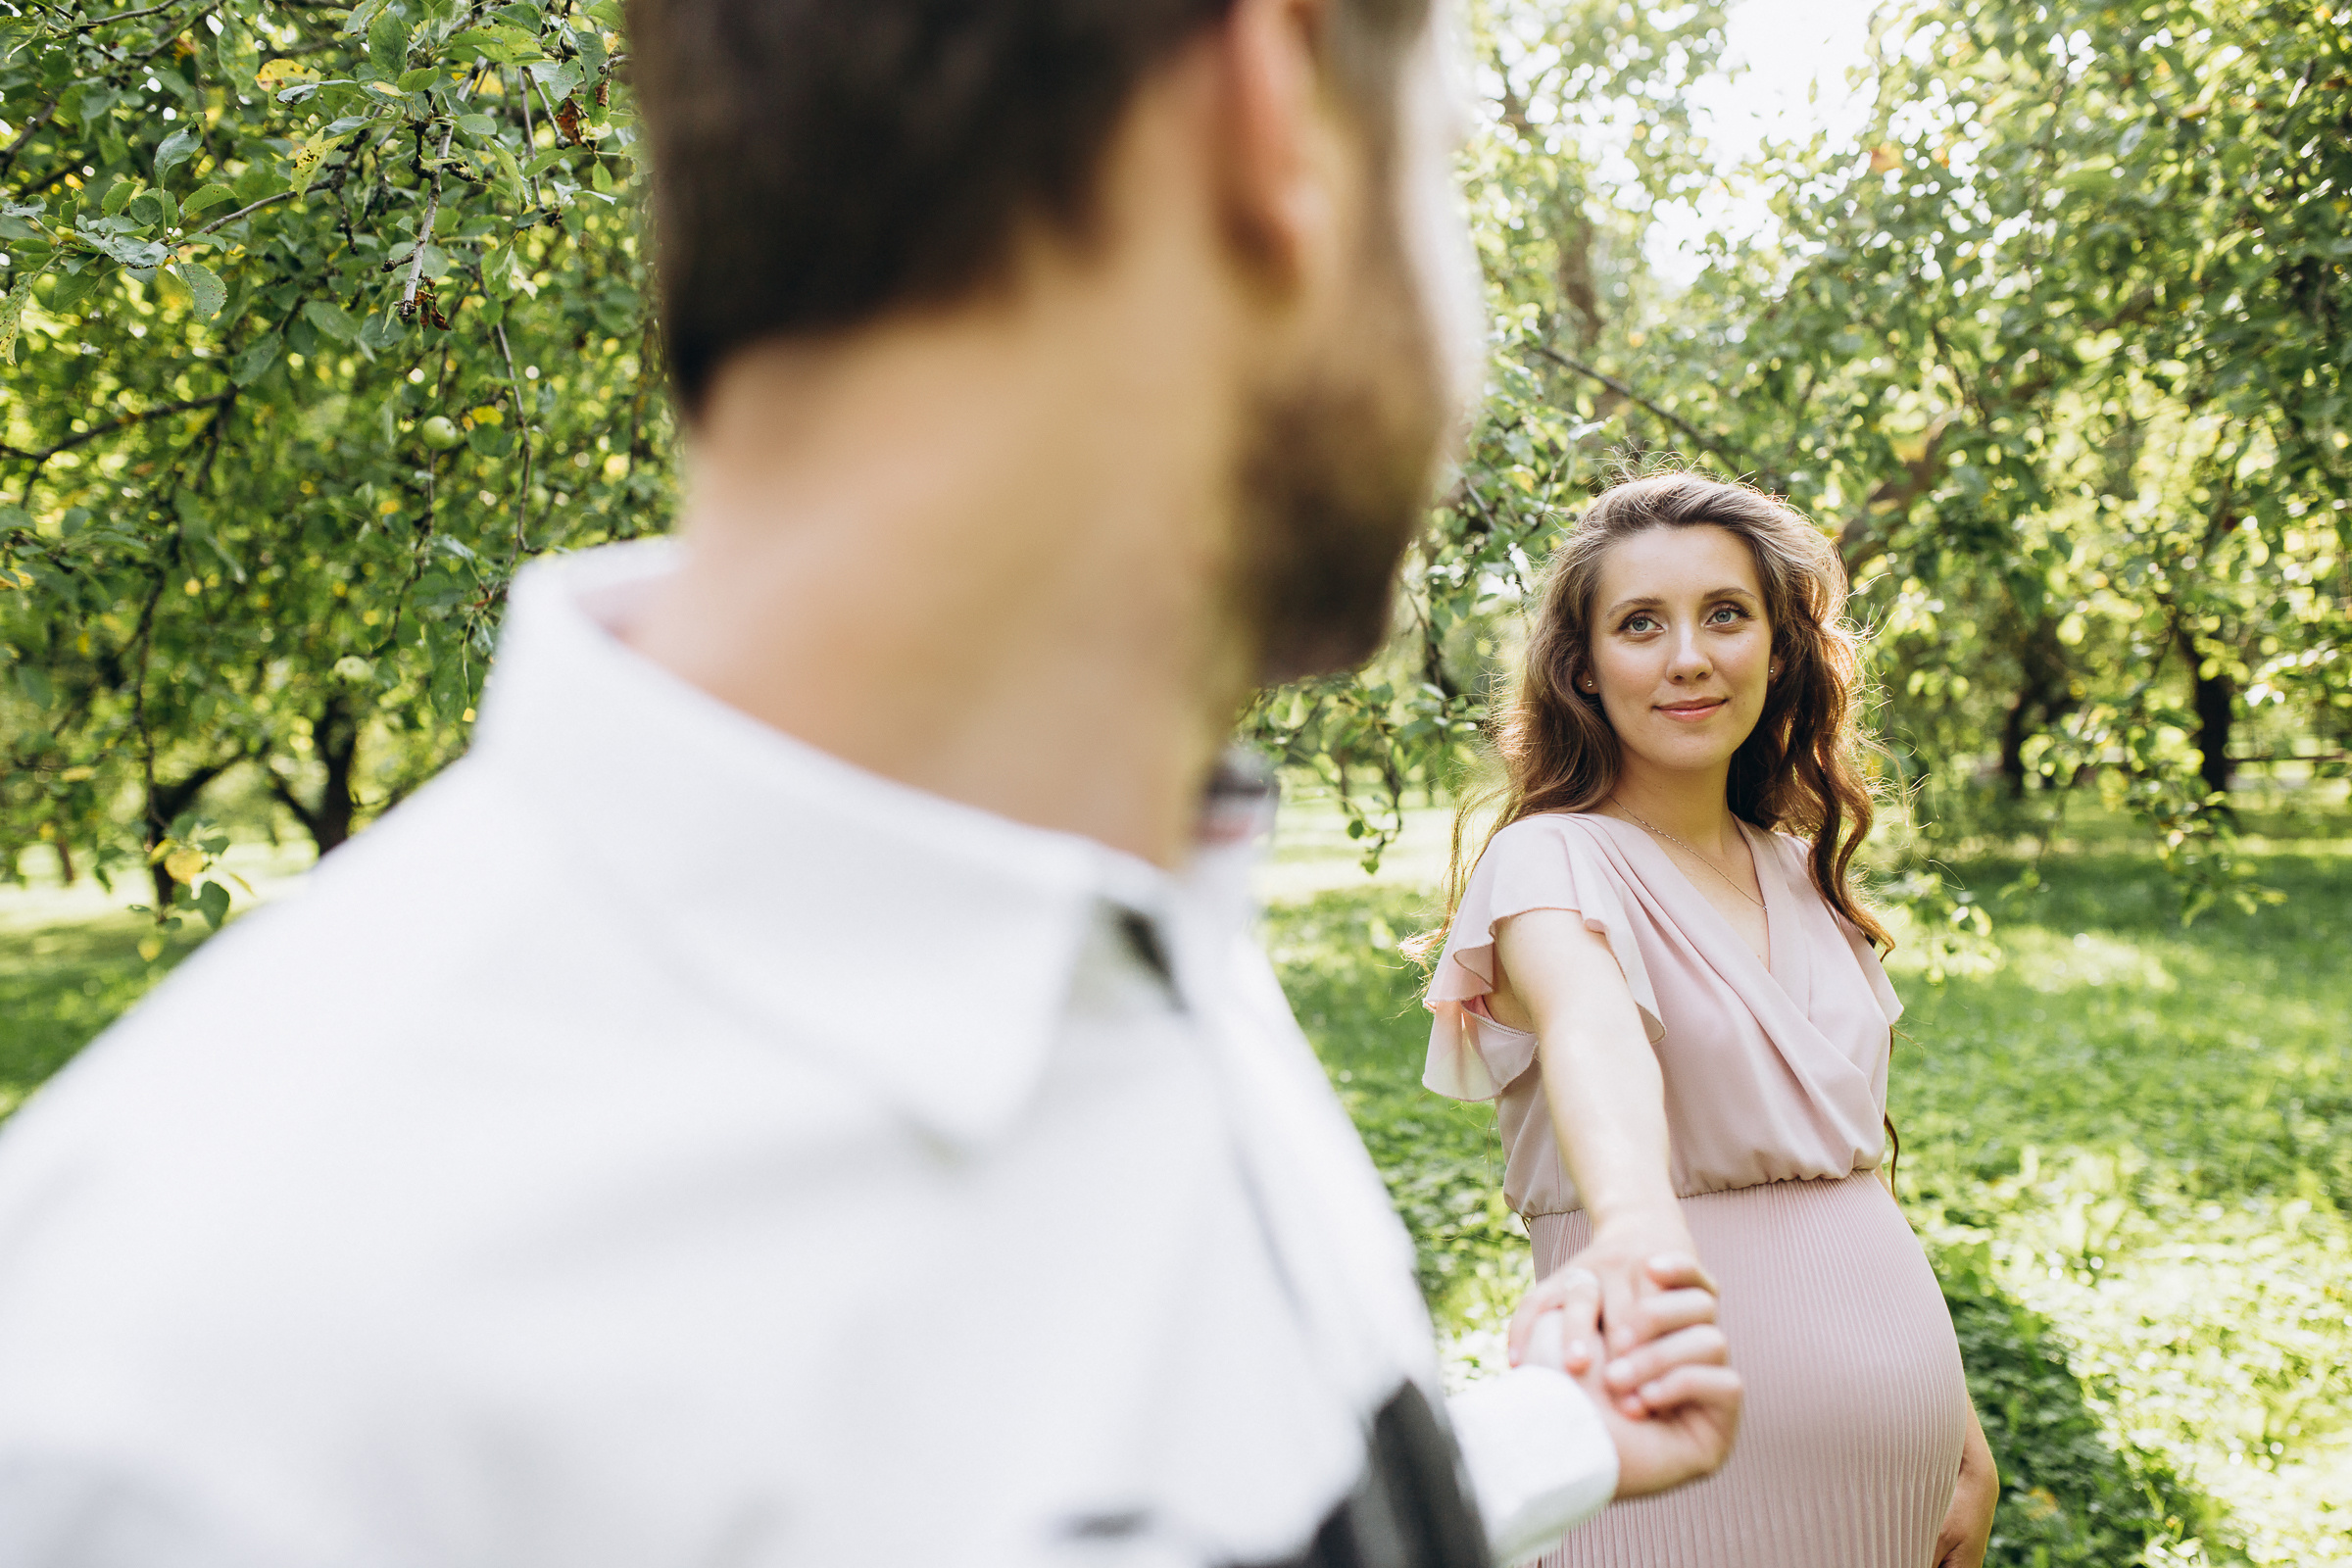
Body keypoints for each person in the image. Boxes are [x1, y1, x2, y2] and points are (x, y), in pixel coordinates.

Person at [0, 3, 1741, 1563]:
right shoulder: (175, 1396)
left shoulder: (1104, 918)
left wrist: (1549, 1435)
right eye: (1439, 163)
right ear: (1271, 106)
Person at [1415, 471, 2001, 1568]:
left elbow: (1853, 1174)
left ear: (1776, 650)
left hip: (1898, 1481)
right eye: (1642, 623)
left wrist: (1954, 1419)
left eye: (1725, 614)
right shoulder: (1549, 860)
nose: (1689, 656)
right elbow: (1596, 1033)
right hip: (1678, 1448)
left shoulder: (1798, 871)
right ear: (1584, 666)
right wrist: (1639, 1234)